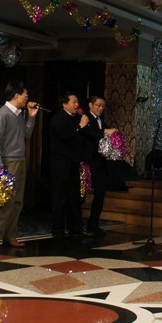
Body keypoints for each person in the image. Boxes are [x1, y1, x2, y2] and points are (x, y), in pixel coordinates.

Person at [0, 81, 39, 248]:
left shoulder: (19, 114)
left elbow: (27, 134)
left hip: (20, 160)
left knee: (17, 201)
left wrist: (31, 117)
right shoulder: (2, 114)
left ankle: (11, 235)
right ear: (16, 96)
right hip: (8, 161)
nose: (27, 98)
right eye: (25, 95)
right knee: (5, 201)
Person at [50, 91, 92, 239]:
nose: (77, 105)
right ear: (64, 104)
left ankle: (75, 228)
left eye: (77, 102)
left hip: (74, 161)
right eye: (73, 102)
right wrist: (80, 126)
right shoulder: (58, 118)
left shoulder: (78, 117)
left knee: (74, 196)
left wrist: (84, 124)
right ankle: (58, 229)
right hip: (60, 162)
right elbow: (65, 136)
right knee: (59, 196)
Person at [82, 95, 119, 235]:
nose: (101, 108)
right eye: (98, 105)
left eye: (103, 106)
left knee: (100, 194)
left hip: (99, 163)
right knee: (81, 194)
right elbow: (88, 133)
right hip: (86, 162)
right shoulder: (85, 118)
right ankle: (75, 225)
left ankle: (93, 224)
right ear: (90, 105)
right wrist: (105, 132)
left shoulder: (101, 121)